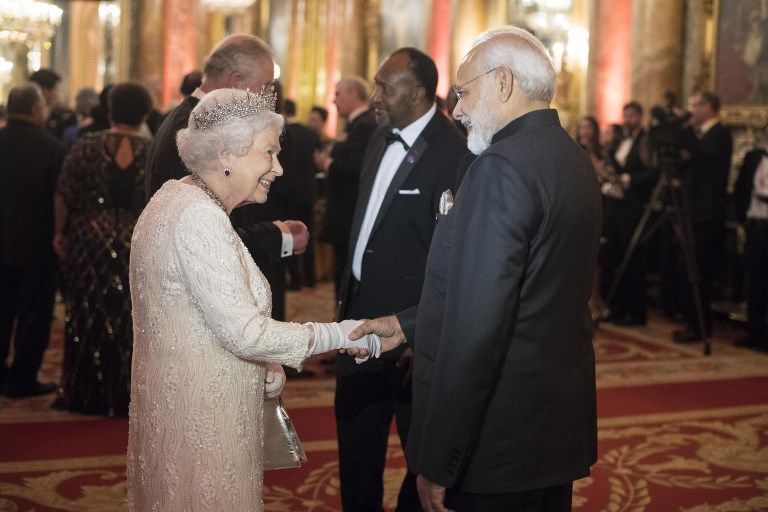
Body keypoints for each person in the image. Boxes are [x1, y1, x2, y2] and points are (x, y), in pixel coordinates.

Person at [348, 26, 602, 512]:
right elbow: (523, 292)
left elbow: (476, 326)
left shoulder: (500, 168)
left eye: (463, 93)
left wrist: (439, 460)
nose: (456, 109)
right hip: (550, 429)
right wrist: (406, 325)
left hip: (496, 441)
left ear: (503, 82)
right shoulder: (571, 157)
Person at [126, 87, 381, 511]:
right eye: (269, 154)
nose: (278, 168)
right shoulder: (197, 216)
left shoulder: (177, 197)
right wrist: (341, 333)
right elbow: (245, 332)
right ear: (227, 154)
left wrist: (267, 362)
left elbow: (200, 316)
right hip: (206, 419)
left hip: (183, 407)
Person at [333, 48, 469, 512]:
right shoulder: (379, 135)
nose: (375, 96)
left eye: (385, 87)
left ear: (418, 92)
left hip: (412, 339)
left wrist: (418, 330)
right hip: (357, 324)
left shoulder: (455, 152)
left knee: (421, 466)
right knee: (356, 456)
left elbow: (450, 257)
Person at [144, 34, 308, 283]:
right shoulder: (195, 128)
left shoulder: (192, 118)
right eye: (265, 85)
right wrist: (279, 235)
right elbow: (204, 232)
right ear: (236, 82)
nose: (268, 96)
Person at [50, 83, 153, 417]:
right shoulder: (154, 151)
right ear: (145, 114)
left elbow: (63, 194)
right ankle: (127, 393)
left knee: (87, 315)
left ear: (110, 110)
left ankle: (86, 392)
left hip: (89, 241)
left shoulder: (87, 145)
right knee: (130, 318)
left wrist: (59, 232)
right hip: (137, 241)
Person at [0, 83, 64, 397]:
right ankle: (22, 380)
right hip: (37, 244)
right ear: (37, 110)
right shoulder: (51, 147)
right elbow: (59, 198)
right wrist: (59, 234)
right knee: (34, 316)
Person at [673, 91, 733, 342]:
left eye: (694, 105)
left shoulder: (719, 134)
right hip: (694, 210)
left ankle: (699, 326)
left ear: (709, 107)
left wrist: (682, 129)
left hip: (707, 213)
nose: (691, 110)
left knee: (700, 271)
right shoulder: (701, 135)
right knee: (689, 268)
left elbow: (702, 157)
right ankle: (691, 321)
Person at [315, 77, 377, 295]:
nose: (333, 100)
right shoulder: (356, 124)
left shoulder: (364, 126)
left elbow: (355, 169)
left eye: (338, 94)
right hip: (345, 214)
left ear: (353, 94)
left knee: (346, 276)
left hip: (349, 214)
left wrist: (327, 163)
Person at [604, 102, 657, 326]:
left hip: (635, 205)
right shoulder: (618, 140)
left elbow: (654, 171)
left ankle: (636, 312)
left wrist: (627, 179)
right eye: (625, 115)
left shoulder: (647, 141)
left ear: (640, 116)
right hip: (615, 204)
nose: (628, 120)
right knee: (613, 253)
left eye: (632, 116)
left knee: (631, 255)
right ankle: (616, 308)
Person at [734, 124, 768, 352]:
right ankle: (754, 333)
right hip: (755, 225)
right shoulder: (754, 156)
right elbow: (740, 189)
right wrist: (742, 222)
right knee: (755, 282)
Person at [576, 115, 612, 321]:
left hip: (599, 203)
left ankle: (596, 301)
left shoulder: (602, 152)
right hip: (579, 203)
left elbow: (609, 174)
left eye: (589, 127)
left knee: (596, 257)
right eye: (582, 127)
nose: (585, 131)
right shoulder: (572, 149)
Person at [29, 68, 77, 140]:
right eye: (56, 90)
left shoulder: (66, 116)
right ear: (44, 91)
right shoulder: (29, 116)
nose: (58, 94)